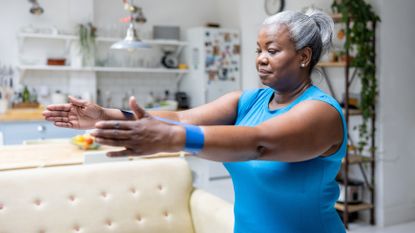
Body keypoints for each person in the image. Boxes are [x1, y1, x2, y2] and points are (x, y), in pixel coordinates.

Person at [44, 9, 346, 233]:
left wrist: (175, 139)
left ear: (304, 56)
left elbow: (259, 143)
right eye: (258, 50)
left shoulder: (320, 112)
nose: (261, 59)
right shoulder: (248, 100)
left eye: (272, 50)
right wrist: (104, 114)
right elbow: (179, 117)